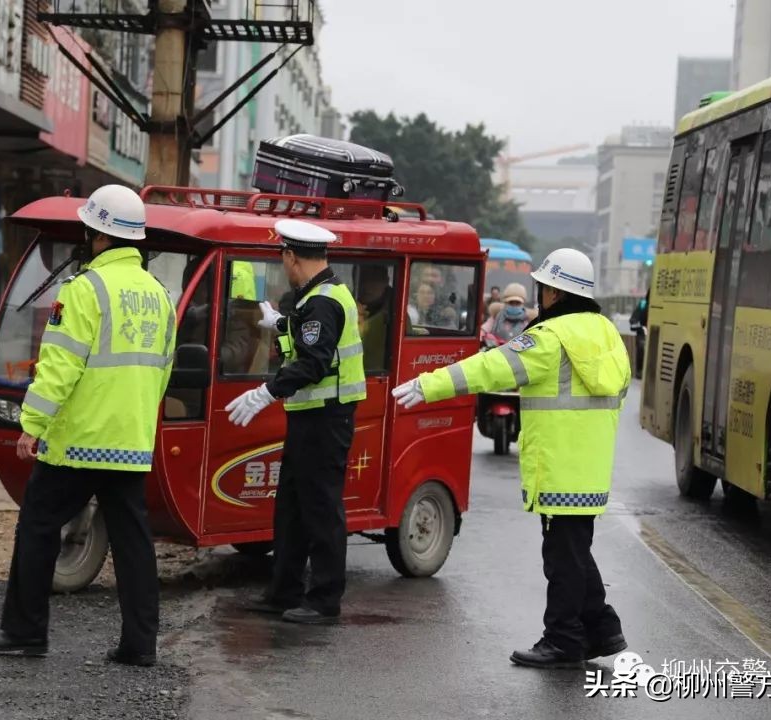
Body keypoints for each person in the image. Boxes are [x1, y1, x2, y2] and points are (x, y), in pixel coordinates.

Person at [393, 248, 630, 668]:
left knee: (562, 559)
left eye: (544, 287)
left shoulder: (550, 337)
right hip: (589, 468)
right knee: (574, 554)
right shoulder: (605, 333)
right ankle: (602, 630)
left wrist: (429, 385)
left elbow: (491, 367)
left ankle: (562, 640)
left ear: (555, 292)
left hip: (558, 468)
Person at [0, 184, 176, 666]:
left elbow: (60, 365)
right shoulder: (159, 296)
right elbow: (162, 370)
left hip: (81, 439)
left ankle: (25, 631)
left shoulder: (85, 289)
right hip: (130, 440)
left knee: (39, 524)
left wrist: (33, 423)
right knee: (132, 540)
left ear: (98, 235)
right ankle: (139, 645)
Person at [228, 218, 366, 625]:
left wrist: (265, 392)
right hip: (311, 417)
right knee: (291, 507)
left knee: (321, 508)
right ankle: (283, 591)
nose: (283, 266)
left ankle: (324, 600)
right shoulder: (319, 296)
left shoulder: (322, 301)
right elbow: (313, 339)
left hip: (327, 417)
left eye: (283, 258)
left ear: (291, 257)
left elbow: (314, 361)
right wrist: (283, 324)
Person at [356, 265, 392, 370]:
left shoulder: (394, 314)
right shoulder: (351, 305)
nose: (367, 286)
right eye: (363, 279)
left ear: (386, 282)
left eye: (374, 280)